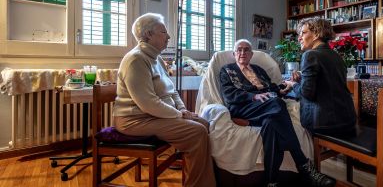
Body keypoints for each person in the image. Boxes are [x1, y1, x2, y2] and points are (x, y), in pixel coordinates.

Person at [113, 13, 216, 187]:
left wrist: (183, 110)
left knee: (205, 124)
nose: (168, 37)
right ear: (148, 35)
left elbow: (172, 91)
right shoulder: (136, 60)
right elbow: (148, 104)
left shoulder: (157, 58)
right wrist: (180, 115)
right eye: (163, 32)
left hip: (154, 116)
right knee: (196, 132)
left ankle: (205, 179)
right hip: (134, 120)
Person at [219, 39, 336, 187]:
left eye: (246, 49)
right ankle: (303, 164)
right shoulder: (227, 70)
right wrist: (253, 96)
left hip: (267, 105)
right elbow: (229, 94)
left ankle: (271, 181)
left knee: (272, 123)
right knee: (276, 103)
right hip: (244, 106)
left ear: (251, 54)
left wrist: (284, 88)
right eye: (239, 49)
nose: (243, 52)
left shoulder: (259, 70)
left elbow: (272, 89)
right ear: (234, 53)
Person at [283, 17, 356, 137]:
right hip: (347, 120)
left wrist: (293, 85)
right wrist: (301, 79)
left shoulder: (310, 55)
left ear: (316, 33)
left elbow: (307, 94)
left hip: (325, 123)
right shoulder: (336, 55)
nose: (299, 38)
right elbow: (327, 84)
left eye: (304, 33)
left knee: (286, 114)